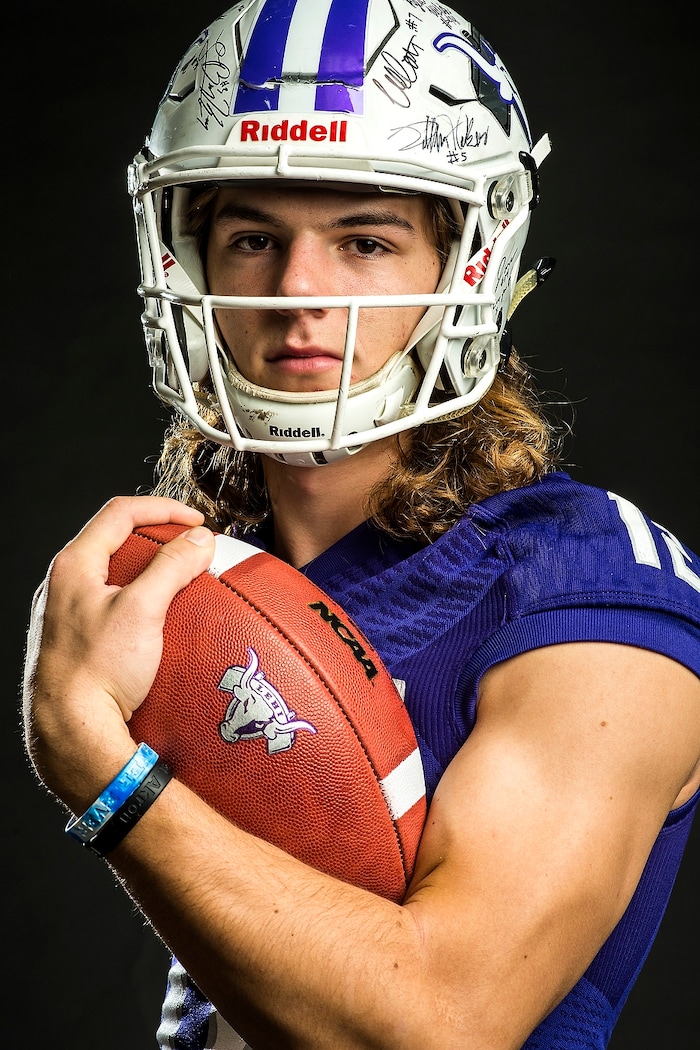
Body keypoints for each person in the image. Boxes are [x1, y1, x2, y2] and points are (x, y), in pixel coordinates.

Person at [22, 1, 700, 1048]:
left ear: (464, 265)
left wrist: (103, 774)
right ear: (188, 262)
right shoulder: (197, 583)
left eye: (365, 241)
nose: (299, 293)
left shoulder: (585, 585)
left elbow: (442, 1022)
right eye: (253, 236)